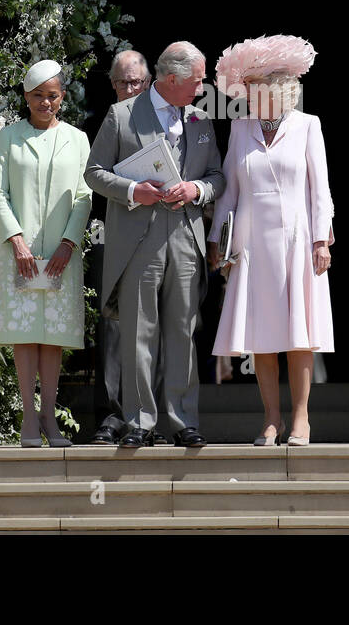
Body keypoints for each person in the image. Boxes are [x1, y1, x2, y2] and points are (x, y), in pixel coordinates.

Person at [85, 41, 225, 448]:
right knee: (138, 332)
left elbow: (218, 175)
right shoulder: (121, 114)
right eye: (196, 80)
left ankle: (183, 420)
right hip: (138, 238)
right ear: (170, 79)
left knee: (183, 329)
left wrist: (196, 189)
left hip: (185, 234)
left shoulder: (200, 119)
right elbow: (94, 173)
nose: (201, 88)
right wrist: (132, 190)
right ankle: (139, 422)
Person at [208, 34, 333, 446]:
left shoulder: (308, 125)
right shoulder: (240, 129)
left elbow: (321, 189)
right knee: (261, 334)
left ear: (280, 90)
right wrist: (217, 241)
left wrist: (321, 240)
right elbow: (229, 191)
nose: (247, 95)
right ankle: (271, 419)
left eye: (256, 88)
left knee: (299, 334)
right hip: (252, 245)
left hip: (298, 241)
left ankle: (302, 418)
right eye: (246, 89)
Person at [0, 60, 93, 447]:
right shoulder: (9, 136)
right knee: (25, 334)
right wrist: (15, 240)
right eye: (37, 96)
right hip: (20, 252)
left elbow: (84, 195)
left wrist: (69, 242)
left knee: (53, 338)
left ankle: (50, 417)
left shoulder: (78, 139)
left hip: (63, 253)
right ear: (26, 97)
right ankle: (28, 418)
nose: (45, 102)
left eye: (52, 95)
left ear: (61, 97)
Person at [89, 50, 154, 445]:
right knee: (112, 327)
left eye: (136, 82)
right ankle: (111, 416)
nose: (129, 89)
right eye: (122, 83)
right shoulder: (101, 122)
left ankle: (151, 419)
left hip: (153, 237)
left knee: (153, 326)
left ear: (147, 84)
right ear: (112, 85)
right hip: (107, 235)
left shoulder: (162, 122)